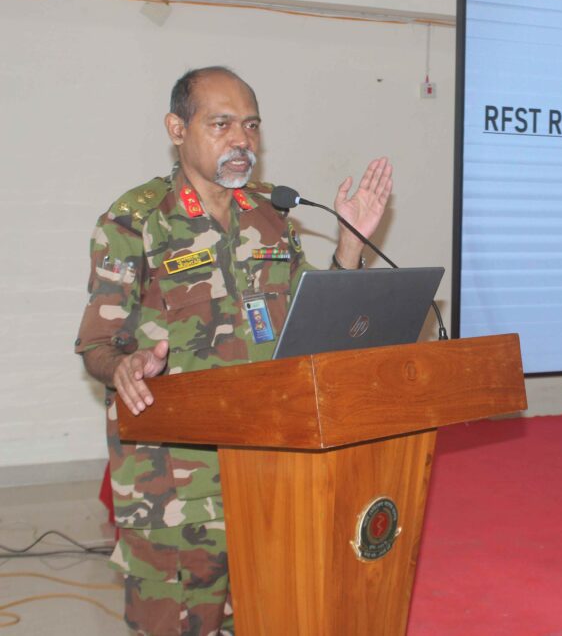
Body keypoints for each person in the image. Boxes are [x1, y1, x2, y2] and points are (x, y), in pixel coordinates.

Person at [75, 66, 392, 635]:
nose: (242, 140)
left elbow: (311, 324)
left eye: (251, 125)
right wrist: (123, 365)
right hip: (174, 482)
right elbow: (97, 344)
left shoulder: (272, 213)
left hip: (270, 467)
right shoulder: (134, 221)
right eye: (221, 124)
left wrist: (350, 245)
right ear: (178, 129)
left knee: (271, 615)